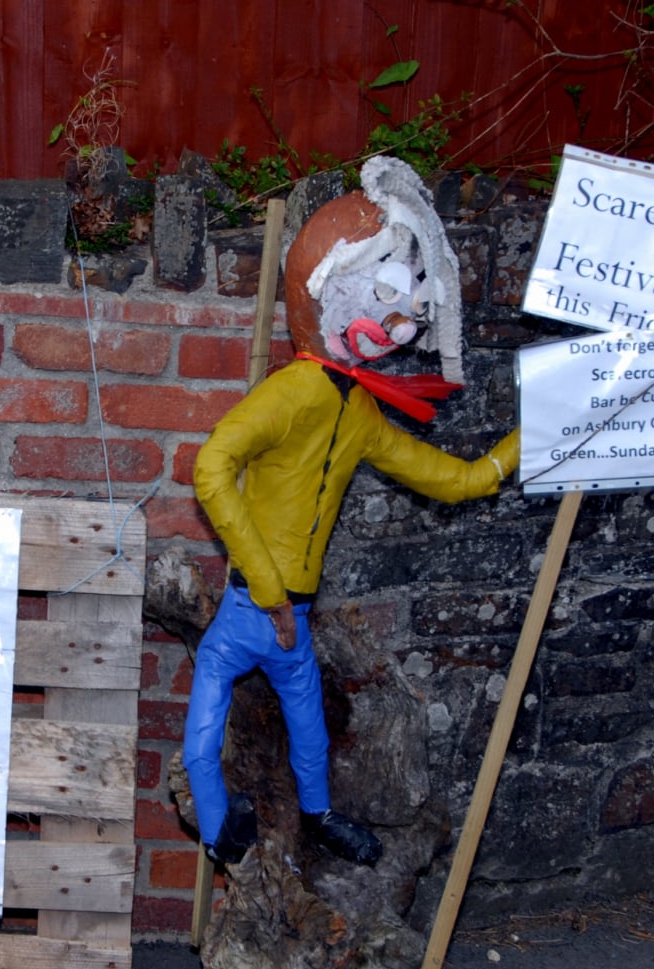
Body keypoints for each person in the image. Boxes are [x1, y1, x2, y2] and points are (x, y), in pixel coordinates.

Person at [184, 157, 520, 868]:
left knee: (309, 729)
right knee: (205, 726)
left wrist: (517, 451)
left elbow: (450, 479)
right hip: (253, 606)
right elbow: (211, 466)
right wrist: (267, 589)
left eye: (412, 302)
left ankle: (319, 815)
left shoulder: (359, 410)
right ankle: (216, 830)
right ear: (327, 290)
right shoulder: (295, 392)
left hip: (294, 617)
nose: (402, 321)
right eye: (387, 293)